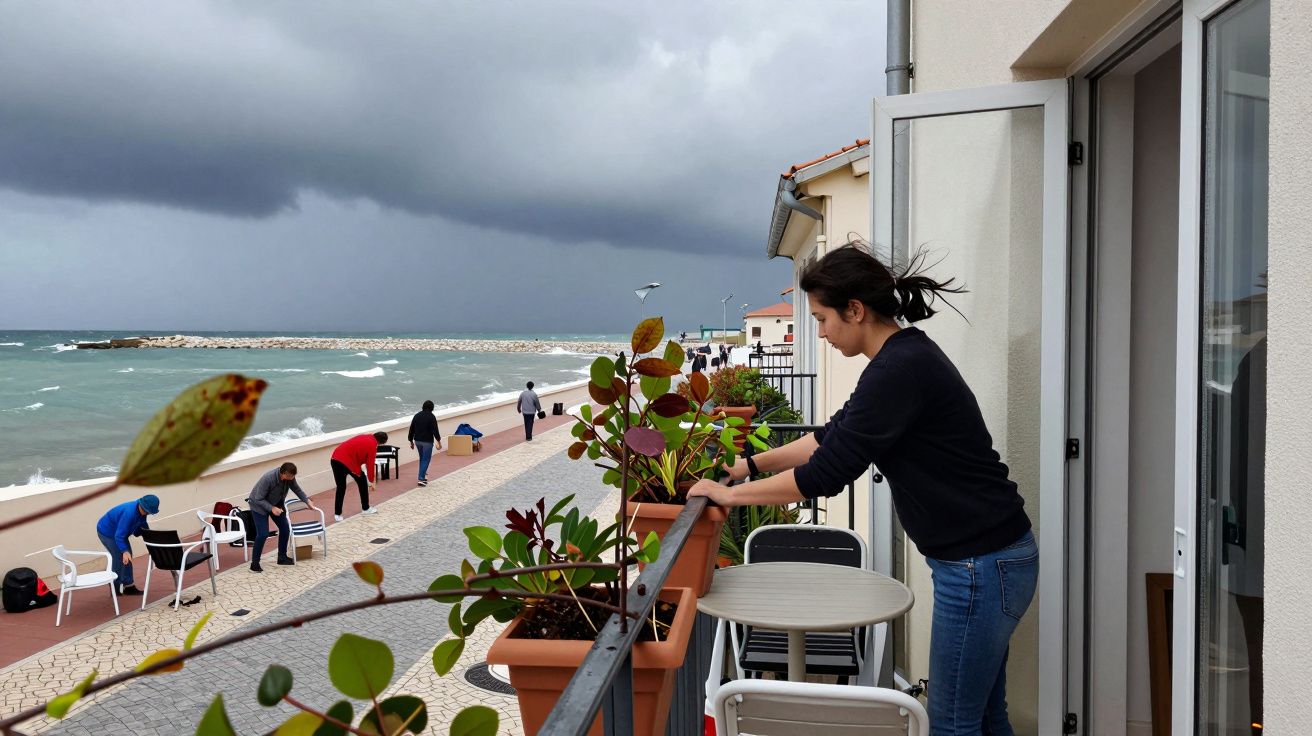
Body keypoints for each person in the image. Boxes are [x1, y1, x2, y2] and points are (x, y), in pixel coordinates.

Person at [689, 243, 1036, 736]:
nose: (820, 332)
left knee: (954, 724)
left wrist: (726, 496)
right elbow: (831, 435)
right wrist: (746, 465)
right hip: (990, 559)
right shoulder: (901, 359)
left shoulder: (899, 369)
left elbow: (828, 472)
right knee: (983, 716)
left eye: (822, 318)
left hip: (982, 565)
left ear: (855, 310)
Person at [245, 462, 318, 572]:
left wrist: (307, 501)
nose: (292, 479)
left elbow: (297, 489)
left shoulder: (290, 477)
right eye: (290, 476)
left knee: (285, 529)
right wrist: (271, 508)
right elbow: (258, 498)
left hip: (277, 504)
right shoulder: (268, 478)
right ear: (283, 473)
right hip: (258, 506)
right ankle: (254, 564)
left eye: (293, 476)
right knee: (263, 534)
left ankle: (282, 557)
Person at [94, 494, 159, 596]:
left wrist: (150, 536)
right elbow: (119, 536)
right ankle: (114, 586)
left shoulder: (142, 511)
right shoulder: (129, 513)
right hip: (107, 532)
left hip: (118, 533)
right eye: (147, 511)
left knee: (128, 556)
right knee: (119, 557)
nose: (147, 513)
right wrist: (124, 551)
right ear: (141, 506)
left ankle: (128, 586)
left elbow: (141, 526)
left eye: (149, 512)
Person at [330, 431, 386, 521]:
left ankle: (337, 514)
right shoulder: (373, 445)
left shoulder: (365, 436)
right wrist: (371, 481)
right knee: (362, 482)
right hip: (348, 462)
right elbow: (370, 464)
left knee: (341, 487)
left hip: (335, 458)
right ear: (380, 442)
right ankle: (365, 508)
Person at [408, 400, 443, 486]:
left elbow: (411, 429)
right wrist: (438, 441)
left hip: (418, 441)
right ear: (432, 408)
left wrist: (411, 441)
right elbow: (435, 430)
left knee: (422, 459)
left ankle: (424, 476)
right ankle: (421, 478)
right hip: (427, 442)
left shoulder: (417, 416)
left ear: (423, 407)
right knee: (426, 459)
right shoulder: (431, 417)